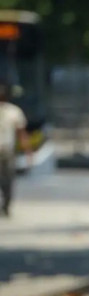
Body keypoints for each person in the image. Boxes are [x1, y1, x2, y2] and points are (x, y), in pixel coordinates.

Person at [0, 82, 30, 217]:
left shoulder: (14, 111)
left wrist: (28, 150)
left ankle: (6, 204)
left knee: (8, 180)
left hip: (7, 151)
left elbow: (21, 133)